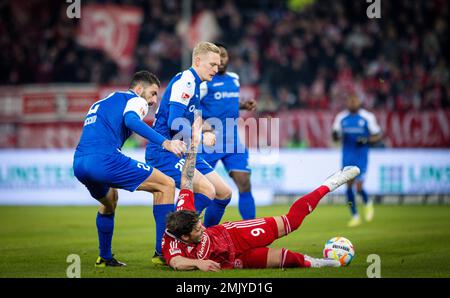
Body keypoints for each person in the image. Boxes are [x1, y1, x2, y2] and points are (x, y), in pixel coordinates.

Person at [162, 115, 360, 271]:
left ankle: (330, 183)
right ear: (185, 237)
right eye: (198, 230)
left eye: (200, 224)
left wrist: (194, 144)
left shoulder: (184, 211)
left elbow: (187, 178)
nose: (203, 228)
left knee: (292, 222)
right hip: (230, 260)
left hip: (233, 235)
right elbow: (176, 262)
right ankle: (320, 263)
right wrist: (198, 263)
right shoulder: (173, 246)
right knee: (282, 259)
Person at [73, 71, 187, 267]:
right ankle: (163, 253)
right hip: (105, 160)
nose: (152, 101)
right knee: (166, 185)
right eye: (152, 94)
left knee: (110, 201)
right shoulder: (135, 100)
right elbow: (131, 121)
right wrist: (165, 143)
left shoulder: (103, 102)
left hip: (80, 163)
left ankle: (105, 257)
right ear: (139, 88)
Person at [145, 41, 234, 264]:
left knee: (224, 193)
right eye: (212, 64)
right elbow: (175, 122)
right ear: (197, 61)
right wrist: (202, 136)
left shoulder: (196, 84)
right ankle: (169, 243)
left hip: (185, 150)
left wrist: (206, 128)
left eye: (219, 64)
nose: (216, 68)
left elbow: (192, 118)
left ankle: (208, 241)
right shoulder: (186, 81)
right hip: (165, 150)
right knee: (207, 190)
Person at [199, 43, 257, 220]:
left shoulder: (234, 79)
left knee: (244, 183)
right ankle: (195, 231)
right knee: (204, 191)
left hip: (233, 140)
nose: (221, 60)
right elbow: (192, 107)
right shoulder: (204, 81)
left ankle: (252, 230)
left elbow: (226, 102)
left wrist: (243, 105)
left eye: (223, 55)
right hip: (210, 142)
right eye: (217, 57)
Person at [332, 93, 382, 227]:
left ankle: (367, 203)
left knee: (359, 187)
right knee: (348, 187)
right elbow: (336, 137)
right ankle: (355, 215)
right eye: (350, 101)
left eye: (355, 101)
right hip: (347, 156)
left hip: (361, 156)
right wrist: (335, 135)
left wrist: (366, 140)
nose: (352, 103)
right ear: (347, 103)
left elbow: (377, 136)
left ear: (359, 102)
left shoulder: (367, 117)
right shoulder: (341, 118)